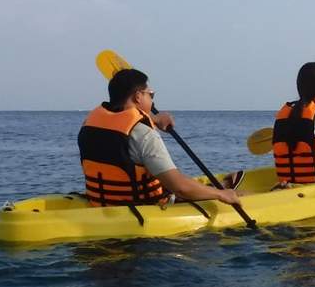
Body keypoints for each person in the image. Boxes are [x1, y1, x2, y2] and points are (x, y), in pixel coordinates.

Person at [78, 69, 241, 210]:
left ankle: (220, 187)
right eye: (151, 94)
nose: (152, 99)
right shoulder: (143, 134)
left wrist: (154, 119)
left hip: (100, 203)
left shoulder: (89, 125)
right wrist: (220, 195)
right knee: (236, 194)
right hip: (145, 208)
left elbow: (121, 126)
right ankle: (224, 188)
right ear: (138, 97)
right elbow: (180, 188)